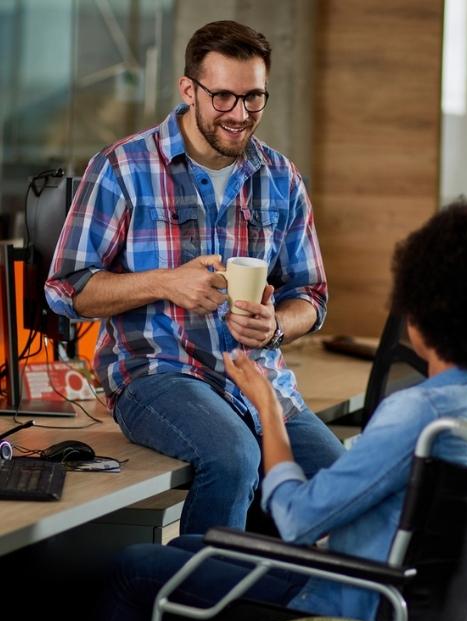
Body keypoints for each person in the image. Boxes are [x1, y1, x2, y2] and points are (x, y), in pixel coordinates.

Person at [38, 199, 467, 621]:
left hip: (338, 620)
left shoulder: (415, 415)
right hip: (404, 610)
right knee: (193, 549)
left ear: (424, 313)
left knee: (135, 568)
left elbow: (297, 518)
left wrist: (269, 409)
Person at [45, 20, 343, 535]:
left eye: (254, 98)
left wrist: (275, 327)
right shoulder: (122, 167)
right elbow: (67, 289)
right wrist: (164, 283)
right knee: (233, 458)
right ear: (189, 90)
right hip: (158, 375)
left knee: (339, 482)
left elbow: (311, 296)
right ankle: (200, 612)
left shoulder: (281, 178)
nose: (240, 114)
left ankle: (281, 608)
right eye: (223, 96)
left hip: (258, 381)